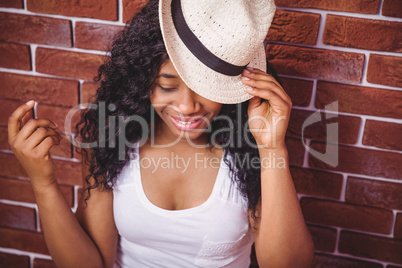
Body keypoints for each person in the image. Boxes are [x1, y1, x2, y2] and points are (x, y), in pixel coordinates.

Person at [8, 0, 314, 267]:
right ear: (143, 79)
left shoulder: (252, 149)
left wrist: (273, 148)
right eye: (167, 86)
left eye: (207, 90)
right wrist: (44, 183)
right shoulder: (113, 141)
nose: (186, 106)